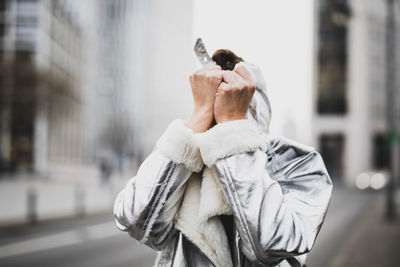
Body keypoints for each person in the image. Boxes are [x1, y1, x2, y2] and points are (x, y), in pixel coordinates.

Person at [113, 49, 333, 267]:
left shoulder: (297, 161)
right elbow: (136, 222)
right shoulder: (187, 159)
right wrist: (198, 115)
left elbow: (274, 244)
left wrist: (232, 127)